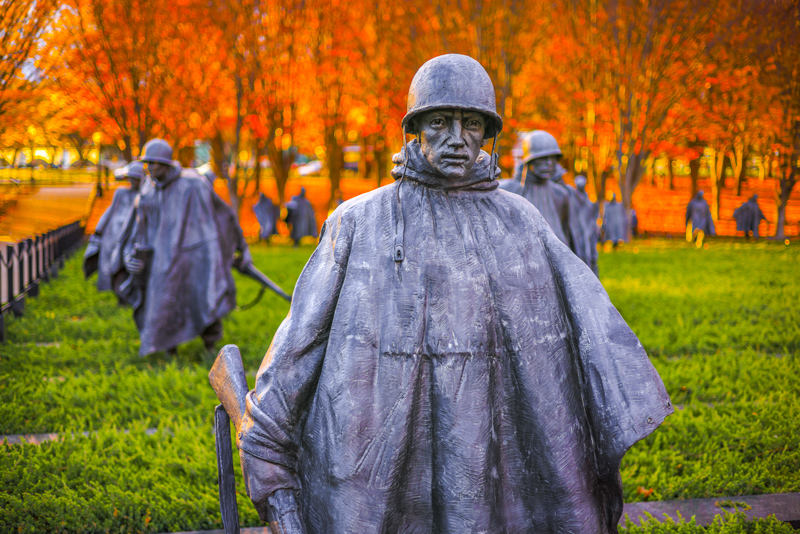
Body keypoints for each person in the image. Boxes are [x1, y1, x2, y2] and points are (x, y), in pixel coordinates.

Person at [235, 54, 672, 534]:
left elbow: (581, 334)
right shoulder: (359, 221)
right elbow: (301, 341)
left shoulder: (520, 221)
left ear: (488, 135)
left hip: (491, 460)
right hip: (382, 461)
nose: (457, 138)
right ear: (416, 129)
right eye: (440, 122)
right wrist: (266, 442)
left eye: (471, 124)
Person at [119, 139, 234, 356]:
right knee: (164, 305)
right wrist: (129, 255)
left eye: (155, 163)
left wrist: (234, 248)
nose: (150, 168)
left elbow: (220, 215)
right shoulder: (148, 191)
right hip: (160, 261)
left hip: (195, 257)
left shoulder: (193, 184)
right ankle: (169, 349)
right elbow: (137, 229)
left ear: (167, 164)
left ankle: (210, 345)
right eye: (147, 163)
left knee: (202, 301)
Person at [499, 130, 572, 247]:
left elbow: (567, 233)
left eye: (553, 158)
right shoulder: (506, 190)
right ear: (529, 160)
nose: (549, 163)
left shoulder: (560, 194)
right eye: (543, 158)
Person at [83, 162, 145, 294]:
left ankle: (124, 290)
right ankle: (106, 287)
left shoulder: (144, 195)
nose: (133, 181)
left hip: (129, 234)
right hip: (112, 232)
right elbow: (109, 211)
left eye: (136, 178)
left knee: (125, 262)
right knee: (107, 261)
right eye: (131, 178)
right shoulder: (121, 192)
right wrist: (99, 230)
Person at [569, 175, 600, 275]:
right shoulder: (572, 201)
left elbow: (594, 217)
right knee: (580, 256)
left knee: (592, 256)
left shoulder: (589, 202)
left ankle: (593, 277)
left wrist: (593, 229)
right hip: (578, 232)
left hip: (590, 231)